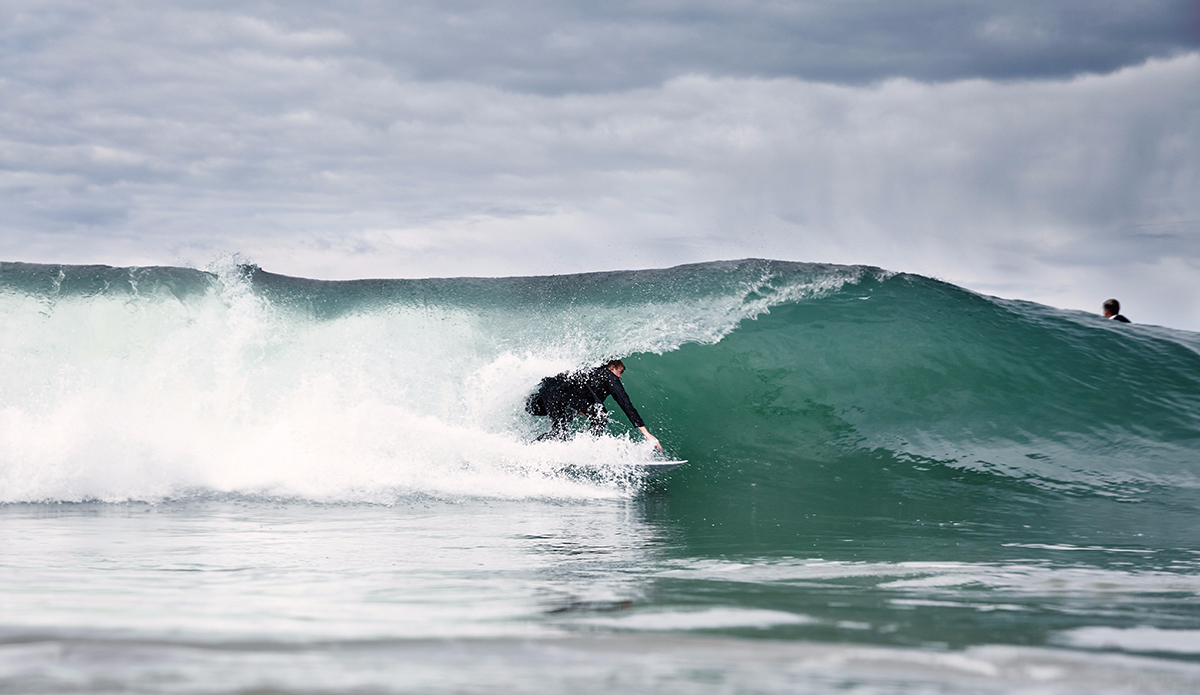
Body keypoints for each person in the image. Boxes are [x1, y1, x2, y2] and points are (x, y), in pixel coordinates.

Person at [526, 359, 662, 450]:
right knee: (601, 415)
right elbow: (625, 403)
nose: (620, 377)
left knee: (560, 433)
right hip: (558, 394)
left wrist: (580, 408)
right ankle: (590, 448)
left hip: (550, 391)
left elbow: (576, 388)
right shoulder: (609, 376)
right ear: (612, 367)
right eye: (620, 372)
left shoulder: (591, 371)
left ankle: (529, 449)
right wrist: (645, 432)